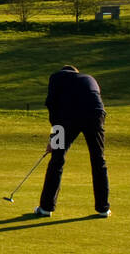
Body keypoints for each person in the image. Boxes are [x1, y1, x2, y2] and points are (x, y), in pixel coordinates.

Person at [36, 65, 110, 217]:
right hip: (95, 114)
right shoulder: (89, 78)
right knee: (98, 160)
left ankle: (46, 208)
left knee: (57, 159)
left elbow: (53, 108)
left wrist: (54, 140)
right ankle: (103, 209)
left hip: (69, 115)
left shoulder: (56, 77)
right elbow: (97, 103)